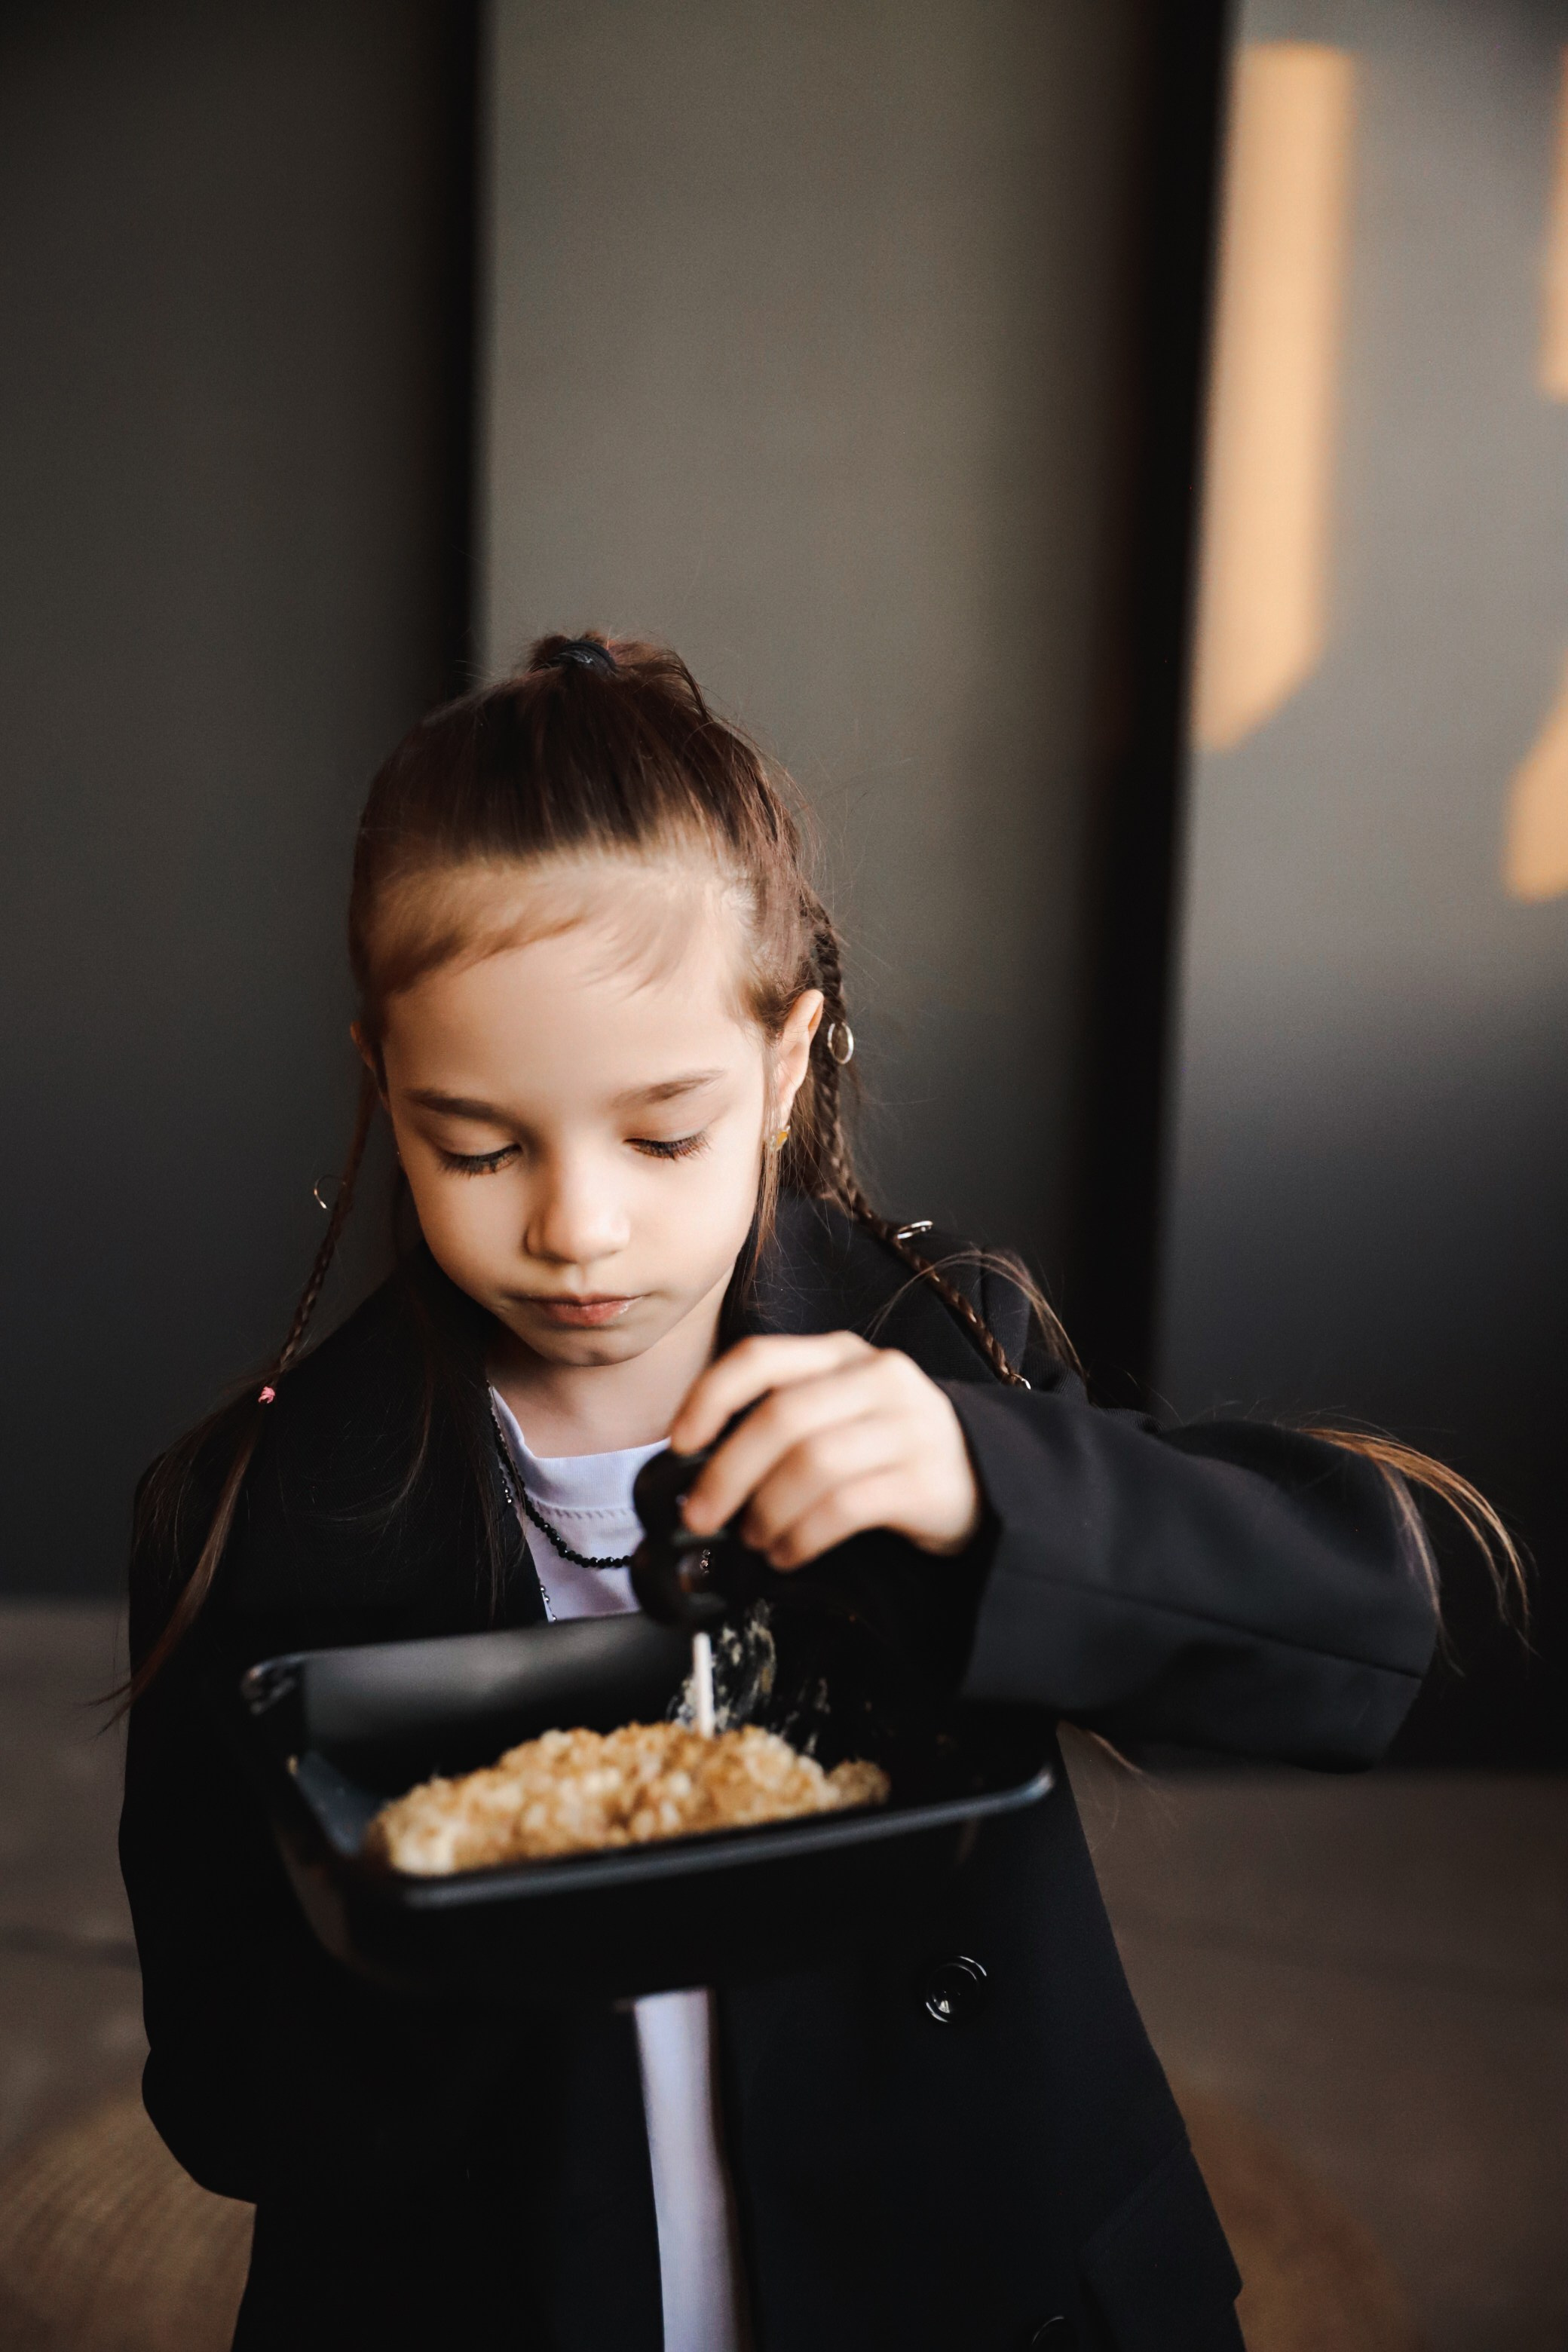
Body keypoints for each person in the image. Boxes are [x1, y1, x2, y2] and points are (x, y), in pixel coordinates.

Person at [118, 634, 1515, 2352]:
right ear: (381, 1085)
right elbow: (221, 2101)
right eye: (476, 1145)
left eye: (663, 1134)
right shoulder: (255, 1509)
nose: (576, 1229)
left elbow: (1357, 1633)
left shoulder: (927, 1354)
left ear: (787, 1062)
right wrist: (440, 1926)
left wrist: (989, 1487)